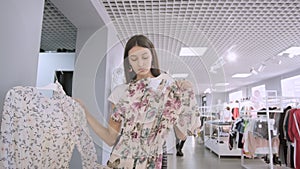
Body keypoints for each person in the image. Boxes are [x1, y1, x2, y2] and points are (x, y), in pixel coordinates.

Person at [77, 35, 200, 168]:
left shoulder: (168, 87)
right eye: (134, 59)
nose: (140, 64)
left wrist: (185, 98)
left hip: (155, 158)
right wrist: (85, 113)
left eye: (145, 57)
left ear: (152, 57)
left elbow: (181, 135)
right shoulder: (120, 93)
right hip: (123, 159)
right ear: (128, 63)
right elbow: (111, 138)